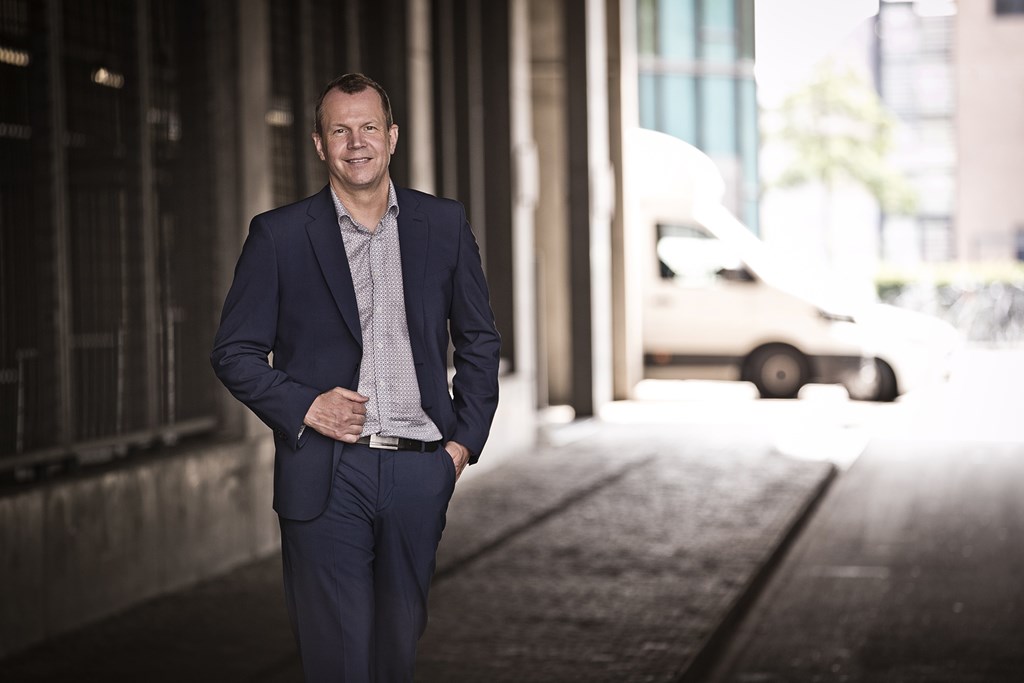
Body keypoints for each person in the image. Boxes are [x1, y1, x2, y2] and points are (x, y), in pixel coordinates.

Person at [211, 73, 500, 682]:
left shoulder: (442, 225)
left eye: (369, 127)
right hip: (326, 474)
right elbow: (233, 351)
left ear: (392, 137)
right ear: (319, 144)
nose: (356, 142)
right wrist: (305, 406)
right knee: (339, 661)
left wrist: (460, 447)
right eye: (339, 130)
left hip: (420, 468)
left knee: (395, 657)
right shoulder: (279, 236)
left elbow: (478, 339)